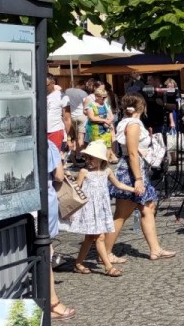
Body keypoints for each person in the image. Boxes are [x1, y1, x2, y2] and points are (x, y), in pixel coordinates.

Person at [108, 94, 176, 262]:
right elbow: (131, 152)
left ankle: (155, 249)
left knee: (148, 207)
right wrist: (138, 179)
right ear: (142, 107)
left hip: (137, 170)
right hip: (132, 172)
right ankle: (106, 251)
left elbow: (134, 150)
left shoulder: (127, 122)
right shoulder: (133, 124)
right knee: (122, 214)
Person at [66, 140, 134, 277]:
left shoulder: (107, 171)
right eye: (86, 158)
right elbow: (76, 192)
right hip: (88, 210)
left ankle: (78, 263)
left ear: (101, 159)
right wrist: (72, 210)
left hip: (101, 210)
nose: (88, 161)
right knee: (100, 237)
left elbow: (118, 185)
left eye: (91, 158)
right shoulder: (84, 172)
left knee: (89, 238)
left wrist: (133, 189)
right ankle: (109, 267)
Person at [45, 140, 76, 319]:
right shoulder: (47, 144)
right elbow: (58, 175)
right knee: (45, 249)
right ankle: (52, 302)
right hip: (44, 201)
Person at [46, 75, 71, 152]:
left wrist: (68, 138)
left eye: (45, 85)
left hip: (55, 131)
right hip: (41, 133)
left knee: (55, 158)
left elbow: (67, 118)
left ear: (52, 83)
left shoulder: (62, 96)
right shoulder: (38, 95)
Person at [64, 80, 88, 156]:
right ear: (81, 85)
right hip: (82, 116)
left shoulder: (67, 91)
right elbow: (86, 105)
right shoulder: (83, 93)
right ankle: (80, 155)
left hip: (72, 116)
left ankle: (76, 153)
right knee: (81, 137)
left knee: (76, 136)